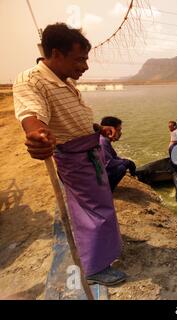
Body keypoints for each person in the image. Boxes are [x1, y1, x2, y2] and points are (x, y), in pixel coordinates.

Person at [13, 23, 126, 285]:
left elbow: (75, 117)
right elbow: (31, 115)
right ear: (56, 54)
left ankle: (107, 248)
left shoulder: (65, 80)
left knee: (100, 206)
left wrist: (99, 128)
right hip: (76, 157)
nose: (85, 66)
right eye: (80, 59)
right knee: (93, 211)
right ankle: (96, 267)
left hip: (89, 150)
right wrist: (37, 135)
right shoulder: (31, 81)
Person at [99, 116, 136, 191]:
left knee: (124, 164)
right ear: (110, 131)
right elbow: (108, 163)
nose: (120, 133)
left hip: (97, 172)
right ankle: (106, 191)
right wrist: (126, 162)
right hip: (96, 176)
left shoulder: (103, 139)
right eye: (118, 130)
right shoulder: (102, 141)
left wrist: (126, 161)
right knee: (121, 169)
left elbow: (114, 157)